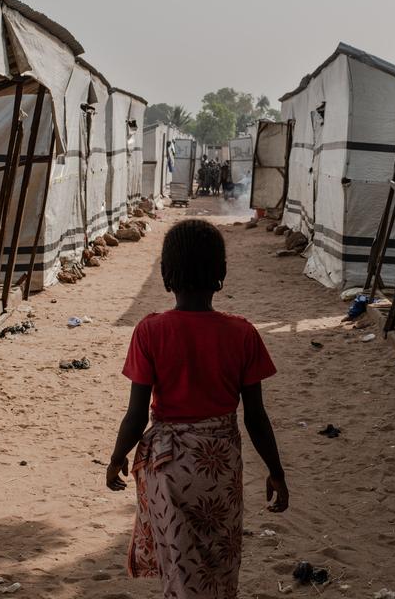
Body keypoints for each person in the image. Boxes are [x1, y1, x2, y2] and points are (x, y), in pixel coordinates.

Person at [106, 219, 288, 598]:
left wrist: (117, 456)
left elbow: (136, 414)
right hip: (219, 466)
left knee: (179, 564)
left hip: (167, 468)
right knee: (219, 563)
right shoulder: (242, 333)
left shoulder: (150, 331)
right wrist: (276, 471)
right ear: (220, 272)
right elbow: (255, 417)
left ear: (167, 274)